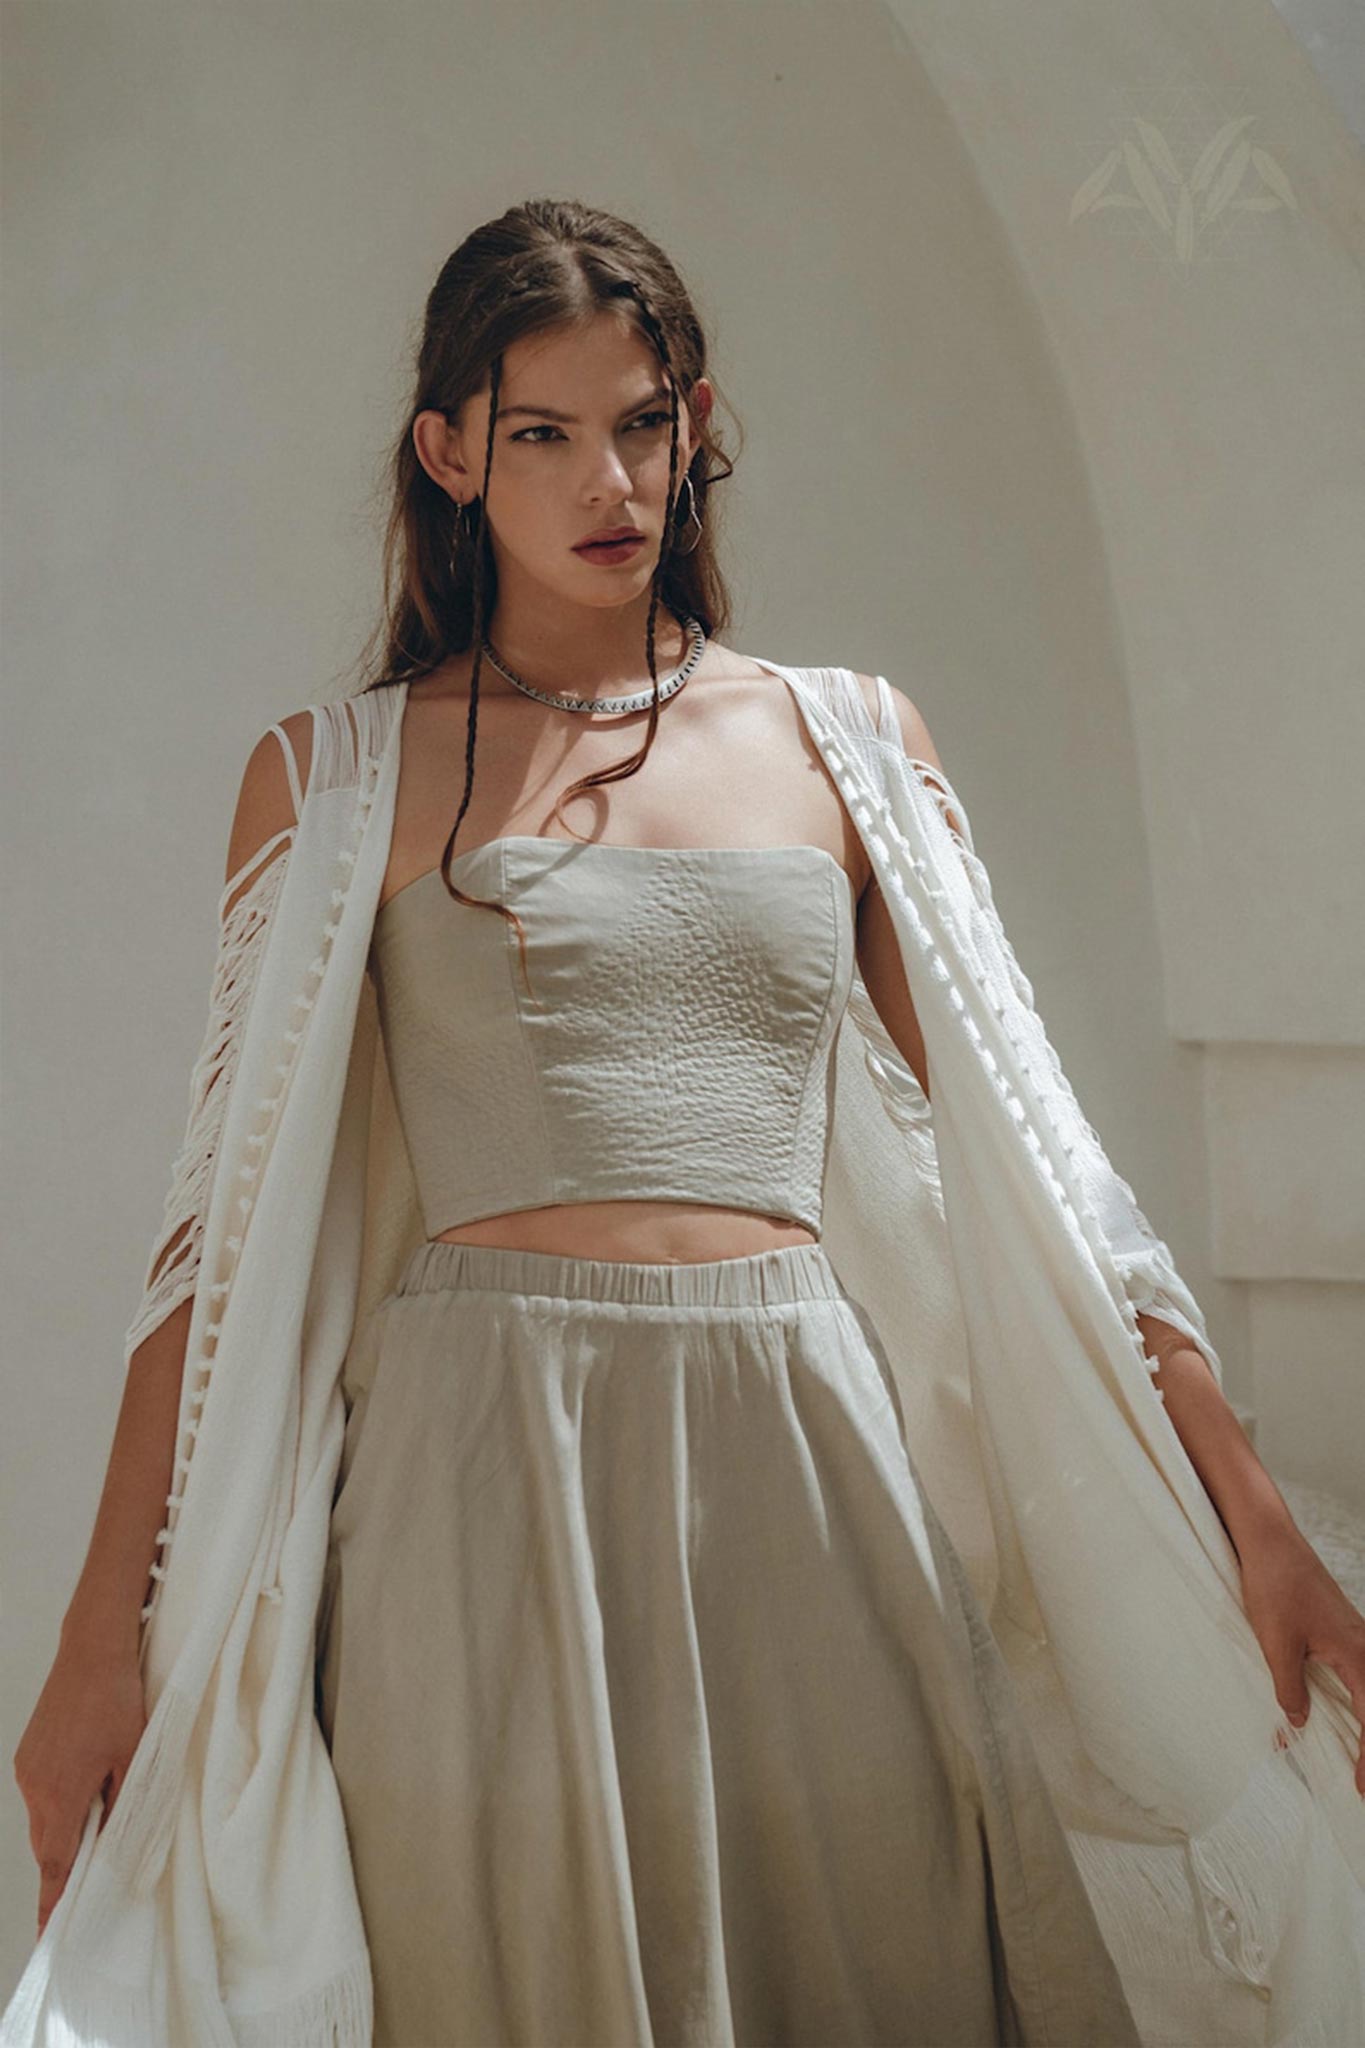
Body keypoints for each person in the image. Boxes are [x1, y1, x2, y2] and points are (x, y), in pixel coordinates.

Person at [9, 200, 1364, 2048]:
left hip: (801, 1458)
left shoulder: (848, 746)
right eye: (544, 432)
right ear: (449, 455)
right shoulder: (339, 779)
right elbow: (214, 1252)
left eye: (640, 424)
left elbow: (1051, 1177)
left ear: (695, 422)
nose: (606, 480)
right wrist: (103, 1640)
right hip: (476, 1490)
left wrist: (1253, 1513)